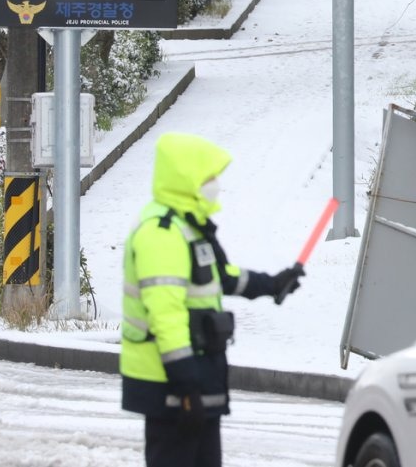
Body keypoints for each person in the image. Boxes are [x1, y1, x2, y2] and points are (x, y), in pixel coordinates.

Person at [120, 132, 305, 467]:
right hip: (171, 383)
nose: (216, 184)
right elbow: (166, 313)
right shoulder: (161, 233)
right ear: (186, 178)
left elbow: (222, 278)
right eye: (209, 177)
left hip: (198, 374)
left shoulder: (189, 227)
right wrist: (186, 383)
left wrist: (273, 283)